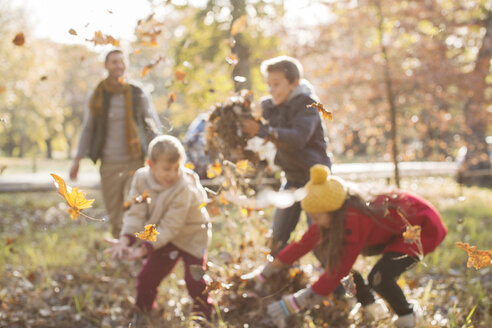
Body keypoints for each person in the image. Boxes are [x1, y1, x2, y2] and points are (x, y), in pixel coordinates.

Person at [252, 164, 447, 328]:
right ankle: (371, 308)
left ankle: (409, 317)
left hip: (421, 229)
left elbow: (337, 271)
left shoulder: (353, 220)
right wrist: (266, 272)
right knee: (341, 263)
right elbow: (302, 245)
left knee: (380, 278)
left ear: (332, 212)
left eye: (317, 217)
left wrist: (293, 304)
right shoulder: (333, 212)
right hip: (397, 231)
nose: (314, 221)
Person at [105, 135, 213, 321]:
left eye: (176, 168)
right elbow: (136, 213)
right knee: (147, 278)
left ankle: (204, 316)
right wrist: (126, 239)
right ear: (150, 164)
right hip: (163, 237)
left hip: (192, 235)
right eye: (166, 169)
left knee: (194, 280)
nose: (172, 174)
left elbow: (171, 225)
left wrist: (145, 248)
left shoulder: (183, 187)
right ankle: (143, 312)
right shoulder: (140, 179)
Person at [241, 55, 331, 255]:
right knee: (277, 238)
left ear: (294, 83)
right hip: (291, 178)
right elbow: (252, 117)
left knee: (319, 239)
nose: (271, 90)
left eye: (277, 84)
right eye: (269, 85)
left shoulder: (308, 105)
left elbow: (297, 138)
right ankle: (278, 279)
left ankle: (332, 283)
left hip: (315, 180)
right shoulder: (271, 106)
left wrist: (262, 131)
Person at [69, 49, 162, 237]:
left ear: (125, 64)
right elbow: (88, 128)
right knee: (114, 210)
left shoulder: (137, 93)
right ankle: (119, 245)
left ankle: (135, 245)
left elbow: (152, 122)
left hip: (134, 160)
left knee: (135, 206)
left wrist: (160, 150)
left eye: (121, 61)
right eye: (114, 62)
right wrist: (77, 159)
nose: (118, 65)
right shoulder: (97, 95)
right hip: (109, 162)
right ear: (106, 65)